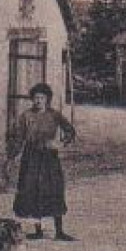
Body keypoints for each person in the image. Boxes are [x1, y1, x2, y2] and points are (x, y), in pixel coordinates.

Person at [9, 82, 77, 240]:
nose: (38, 101)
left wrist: (60, 143)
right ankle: (38, 230)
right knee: (32, 190)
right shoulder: (26, 116)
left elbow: (70, 130)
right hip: (31, 158)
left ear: (47, 99)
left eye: (42, 98)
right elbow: (18, 137)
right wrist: (12, 157)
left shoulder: (54, 115)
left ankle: (59, 231)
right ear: (32, 99)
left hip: (49, 158)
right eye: (36, 98)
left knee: (54, 189)